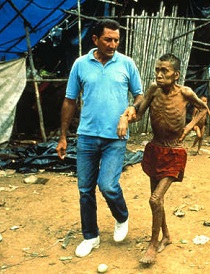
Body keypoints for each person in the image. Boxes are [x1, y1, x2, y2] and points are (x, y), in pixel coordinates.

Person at [119, 53, 210, 264]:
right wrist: (128, 114)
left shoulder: (185, 92)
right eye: (157, 70)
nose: (159, 74)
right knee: (157, 200)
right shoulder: (153, 90)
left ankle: (153, 244)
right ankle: (166, 236)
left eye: (164, 71)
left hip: (174, 150)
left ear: (176, 75)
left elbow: (203, 109)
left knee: (154, 199)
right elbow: (139, 112)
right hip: (155, 148)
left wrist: (189, 127)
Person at [55, 19, 143, 258]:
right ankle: (90, 236)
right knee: (85, 190)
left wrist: (130, 110)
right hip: (86, 137)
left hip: (116, 137)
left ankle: (121, 216)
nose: (113, 44)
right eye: (108, 39)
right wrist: (63, 136)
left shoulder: (127, 64)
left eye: (116, 40)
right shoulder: (80, 65)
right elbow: (70, 100)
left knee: (107, 185)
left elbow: (140, 96)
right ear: (95, 39)